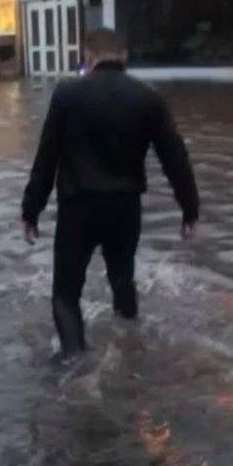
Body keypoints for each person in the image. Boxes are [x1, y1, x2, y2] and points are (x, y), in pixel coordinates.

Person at [21, 29, 199, 364]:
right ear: (124, 57)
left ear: (88, 57)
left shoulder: (66, 95)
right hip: (124, 208)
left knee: (66, 294)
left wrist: (31, 210)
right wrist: (190, 209)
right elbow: (175, 158)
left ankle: (76, 366)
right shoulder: (148, 98)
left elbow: (46, 159)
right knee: (123, 281)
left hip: (78, 208)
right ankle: (130, 352)